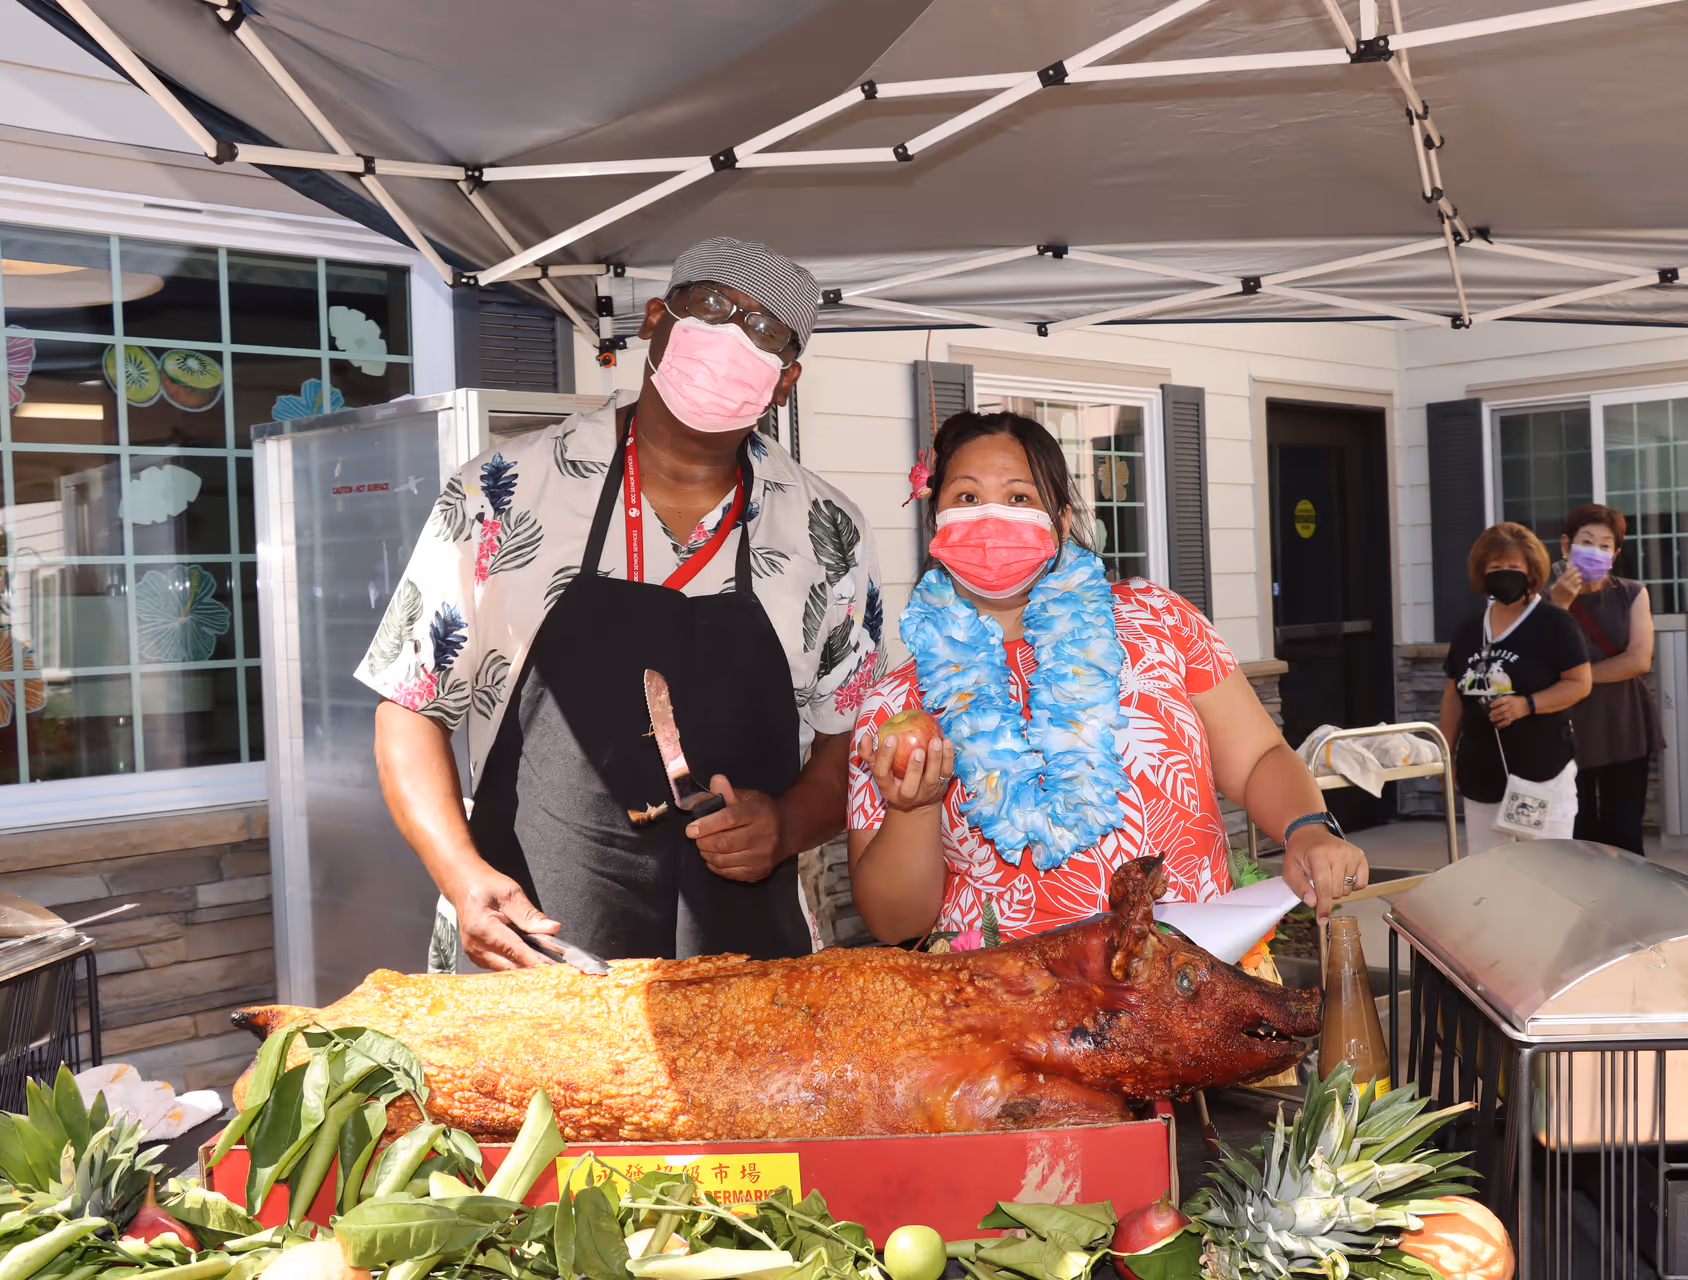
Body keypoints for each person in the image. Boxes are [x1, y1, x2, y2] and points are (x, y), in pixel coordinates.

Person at [359, 237, 886, 970]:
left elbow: (847, 742)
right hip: (530, 945)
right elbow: (408, 707)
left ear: (786, 380)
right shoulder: (502, 491)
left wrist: (790, 823)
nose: (732, 335)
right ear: (654, 319)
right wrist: (461, 874)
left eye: (764, 331)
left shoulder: (826, 531)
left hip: (749, 961)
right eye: (712, 306)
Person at [845, 411, 1369, 945]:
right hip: (1005, 1012)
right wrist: (914, 808)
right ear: (936, 520)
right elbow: (894, 925)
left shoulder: (1157, 618)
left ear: (1064, 519)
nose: (993, 517)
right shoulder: (894, 705)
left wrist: (1307, 828)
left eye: (1020, 497)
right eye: (968, 498)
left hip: (1192, 980)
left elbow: (1258, 758)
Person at [1441, 523, 1593, 856]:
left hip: (1540, 775)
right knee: (1489, 874)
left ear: (1531, 571)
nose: (1504, 574)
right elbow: (1453, 696)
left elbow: (1580, 684)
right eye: (1495, 567)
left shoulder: (1554, 623)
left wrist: (1528, 704)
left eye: (1513, 567)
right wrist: (1445, 755)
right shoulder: (1469, 629)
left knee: (1547, 873)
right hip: (1481, 776)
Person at [1547, 503, 1664, 854]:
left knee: (1625, 829)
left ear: (1615, 554)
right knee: (1577, 830)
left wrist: (1575, 680)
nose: (1596, 551)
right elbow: (1541, 661)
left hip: (1623, 722)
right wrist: (1560, 605)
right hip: (1566, 728)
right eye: (1587, 541)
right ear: (1566, 546)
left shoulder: (1632, 593)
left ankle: (1628, 905)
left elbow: (1638, 660)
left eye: (1605, 545)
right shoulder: (1544, 600)